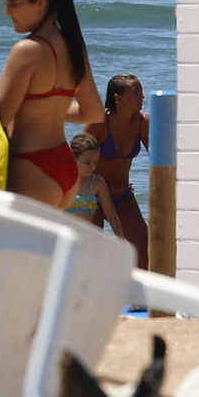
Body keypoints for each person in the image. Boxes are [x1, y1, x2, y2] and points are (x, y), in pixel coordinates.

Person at [0, 0, 105, 208]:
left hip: (30, 166)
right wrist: (43, 109)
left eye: (14, 4)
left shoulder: (27, 51)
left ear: (40, 3)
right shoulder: (73, 45)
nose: (7, 12)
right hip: (64, 167)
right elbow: (94, 113)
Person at [84, 72, 150, 267]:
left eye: (141, 91)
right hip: (92, 196)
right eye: (136, 92)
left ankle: (138, 286)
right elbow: (76, 158)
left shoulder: (142, 123)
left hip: (121, 195)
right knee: (91, 252)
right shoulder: (99, 123)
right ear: (117, 98)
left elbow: (159, 161)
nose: (142, 97)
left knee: (142, 246)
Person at [64, 133, 125, 238]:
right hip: (63, 238)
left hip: (85, 239)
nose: (92, 167)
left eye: (95, 162)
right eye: (87, 162)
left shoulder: (97, 183)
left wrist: (121, 240)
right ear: (73, 157)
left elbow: (112, 216)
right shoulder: (63, 180)